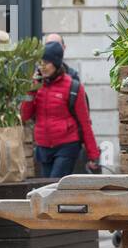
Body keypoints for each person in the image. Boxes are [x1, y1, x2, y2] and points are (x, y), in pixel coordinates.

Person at [20, 40, 102, 178]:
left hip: (67, 146)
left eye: (46, 62)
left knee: (53, 186)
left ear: (56, 63)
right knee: (45, 190)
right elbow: (24, 116)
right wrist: (32, 90)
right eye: (40, 62)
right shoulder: (35, 86)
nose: (42, 67)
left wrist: (93, 155)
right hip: (43, 146)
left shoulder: (73, 87)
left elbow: (85, 123)